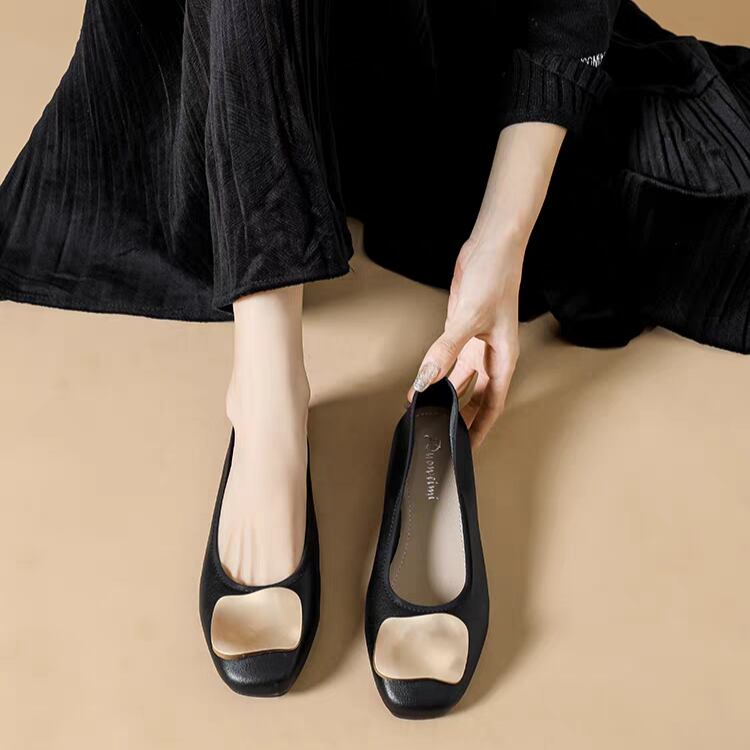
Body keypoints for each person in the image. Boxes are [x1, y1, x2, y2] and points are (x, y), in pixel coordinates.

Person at [1, 0, 748, 590]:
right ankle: (267, 390)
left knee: (691, 208)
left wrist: (501, 239)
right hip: (225, 42)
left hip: (430, 42)